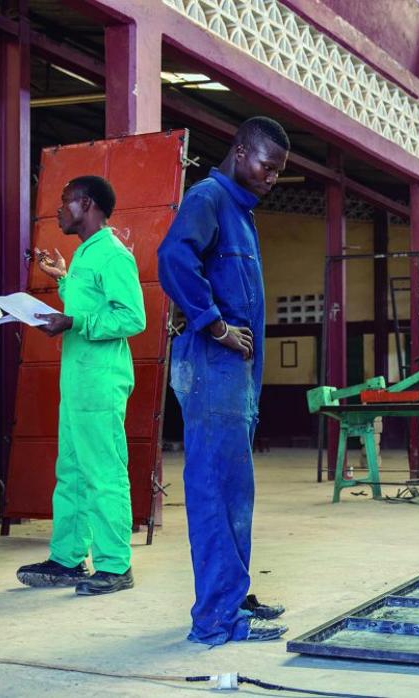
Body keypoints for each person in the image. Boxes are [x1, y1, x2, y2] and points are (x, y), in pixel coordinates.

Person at [157, 116, 290, 644]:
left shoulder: (240, 211)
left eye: (279, 171)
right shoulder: (208, 197)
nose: (271, 178)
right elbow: (172, 258)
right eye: (267, 166)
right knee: (216, 490)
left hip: (235, 381)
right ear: (240, 152)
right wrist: (213, 324)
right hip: (213, 371)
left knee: (236, 491)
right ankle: (215, 618)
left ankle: (231, 598)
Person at [15, 175, 145, 596]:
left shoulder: (111, 254)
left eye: (65, 202)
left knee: (103, 473)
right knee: (70, 472)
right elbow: (91, 304)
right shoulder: (86, 255)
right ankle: (68, 559)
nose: (58, 210)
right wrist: (64, 280)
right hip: (78, 381)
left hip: (100, 384)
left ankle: (114, 565)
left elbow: (132, 318)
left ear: (86, 204)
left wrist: (74, 321)